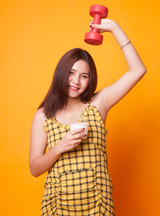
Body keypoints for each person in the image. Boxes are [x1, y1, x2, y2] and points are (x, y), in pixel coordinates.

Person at [29, 19, 146, 216]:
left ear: (90, 79)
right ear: (61, 74)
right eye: (71, 73)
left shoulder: (98, 104)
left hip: (99, 207)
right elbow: (34, 168)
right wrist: (59, 147)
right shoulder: (43, 116)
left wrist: (114, 29)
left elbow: (138, 70)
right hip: (57, 208)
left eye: (84, 76)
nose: (76, 81)